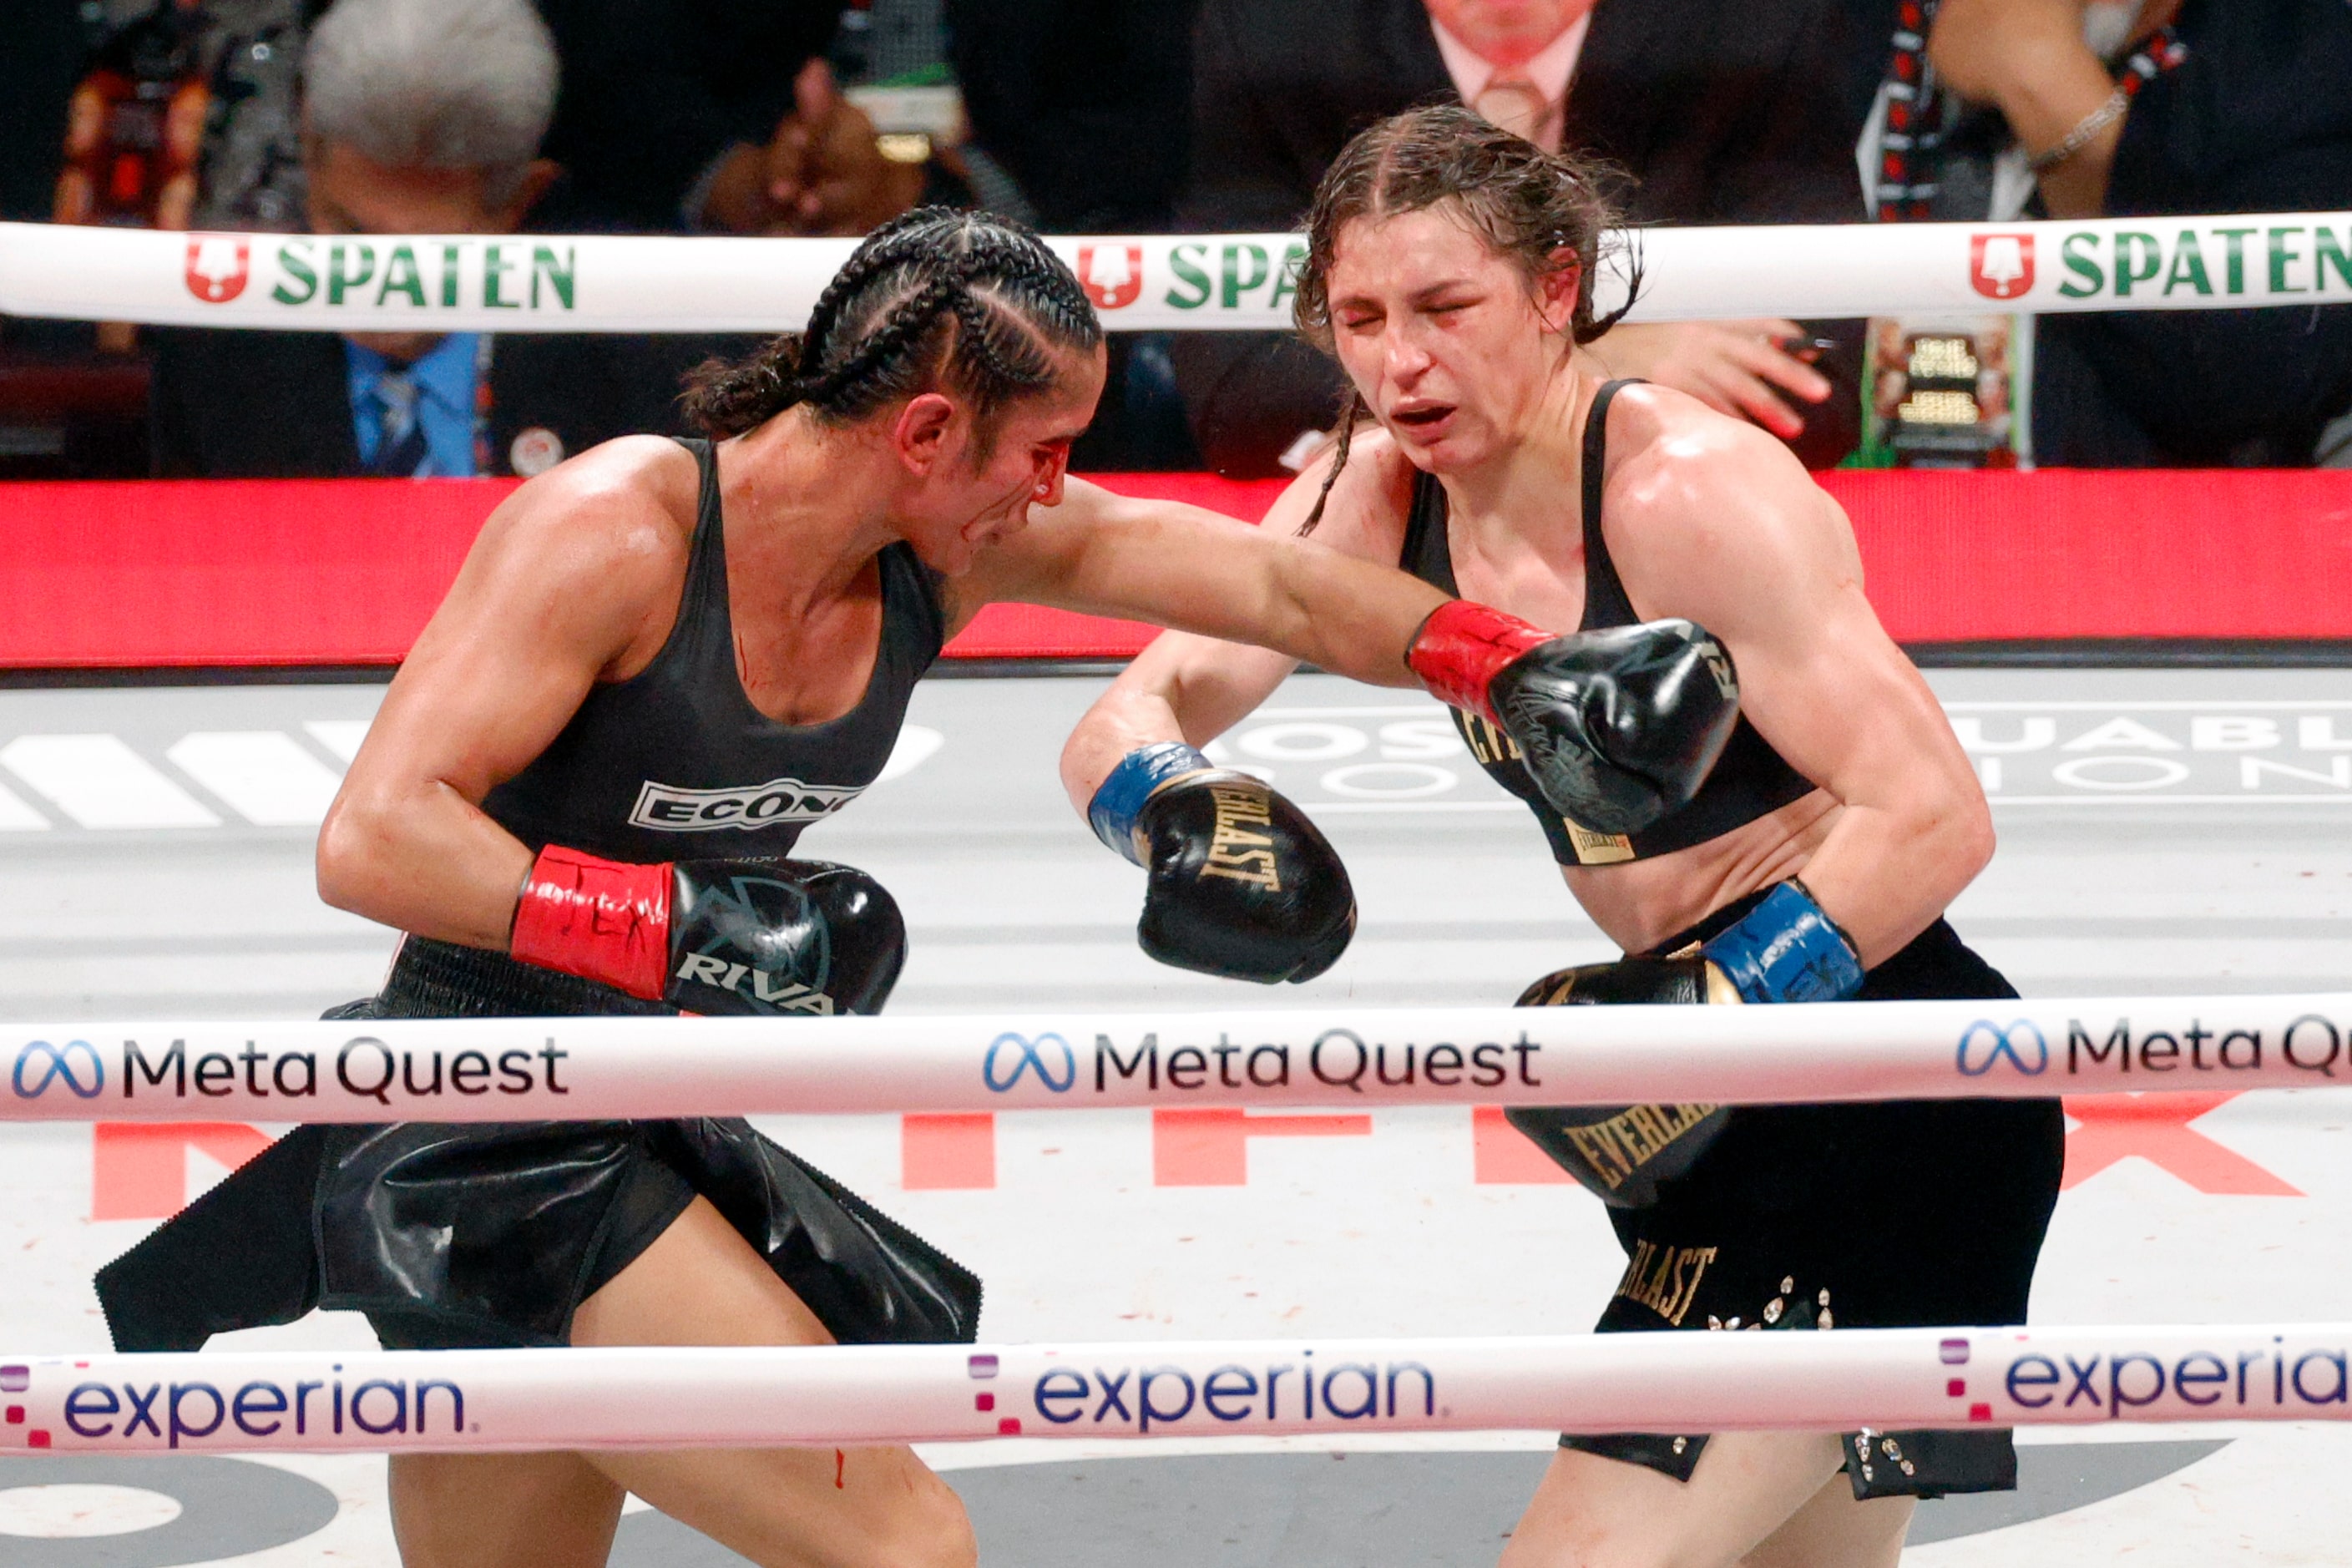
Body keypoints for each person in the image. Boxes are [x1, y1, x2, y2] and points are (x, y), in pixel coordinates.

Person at [96, 205, 1736, 1568]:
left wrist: (1501, 660)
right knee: (902, 1546)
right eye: (1042, 452)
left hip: (623, 1096)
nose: (1054, 490)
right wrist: (666, 923)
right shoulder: (614, 533)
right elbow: (374, 837)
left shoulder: (941, 545)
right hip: (483, 1123)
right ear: (928, 431)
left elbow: (1267, 582)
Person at [1062, 105, 2063, 1566]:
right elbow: (1139, 697)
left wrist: (1715, 1007)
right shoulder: (1378, 495)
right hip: (1712, 1116)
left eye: (1444, 308)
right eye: (1358, 316)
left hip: (1878, 1087)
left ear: (1553, 288)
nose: (1400, 360)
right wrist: (1160, 801)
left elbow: (1933, 813)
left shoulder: (1682, 492)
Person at [1169, 0, 1869, 478]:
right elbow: (1237, 397)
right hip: (1384, 546)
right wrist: (1597, 355)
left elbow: (1808, 394)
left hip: (1678, 530)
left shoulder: (1758, 25)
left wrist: (1431, 391)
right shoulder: (1273, 32)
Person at [149, 0, 743, 479]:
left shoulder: (639, 355)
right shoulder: (217, 351)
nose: (380, 283)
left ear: (519, 202)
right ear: (309, 153)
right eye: (352, 231)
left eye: (431, 252)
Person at [1861, 0, 2352, 466]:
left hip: (2136, 533)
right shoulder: (1821, 28)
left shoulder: (2299, 52)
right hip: (1826, 513)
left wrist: (2047, 87)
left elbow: (2252, 397)